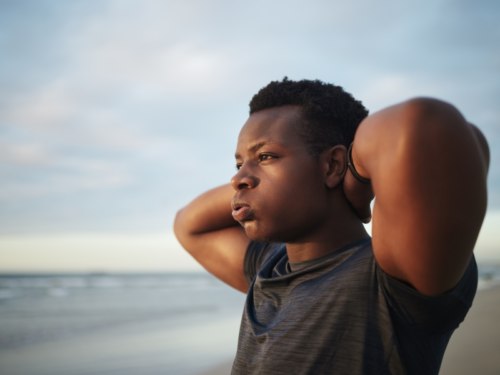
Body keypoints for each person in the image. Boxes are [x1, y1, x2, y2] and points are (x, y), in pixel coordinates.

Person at [174, 78, 489, 375]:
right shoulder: (268, 266)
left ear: (333, 165)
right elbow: (188, 223)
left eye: (266, 156)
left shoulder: (392, 277)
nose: (237, 179)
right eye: (239, 163)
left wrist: (360, 175)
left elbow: (425, 125)